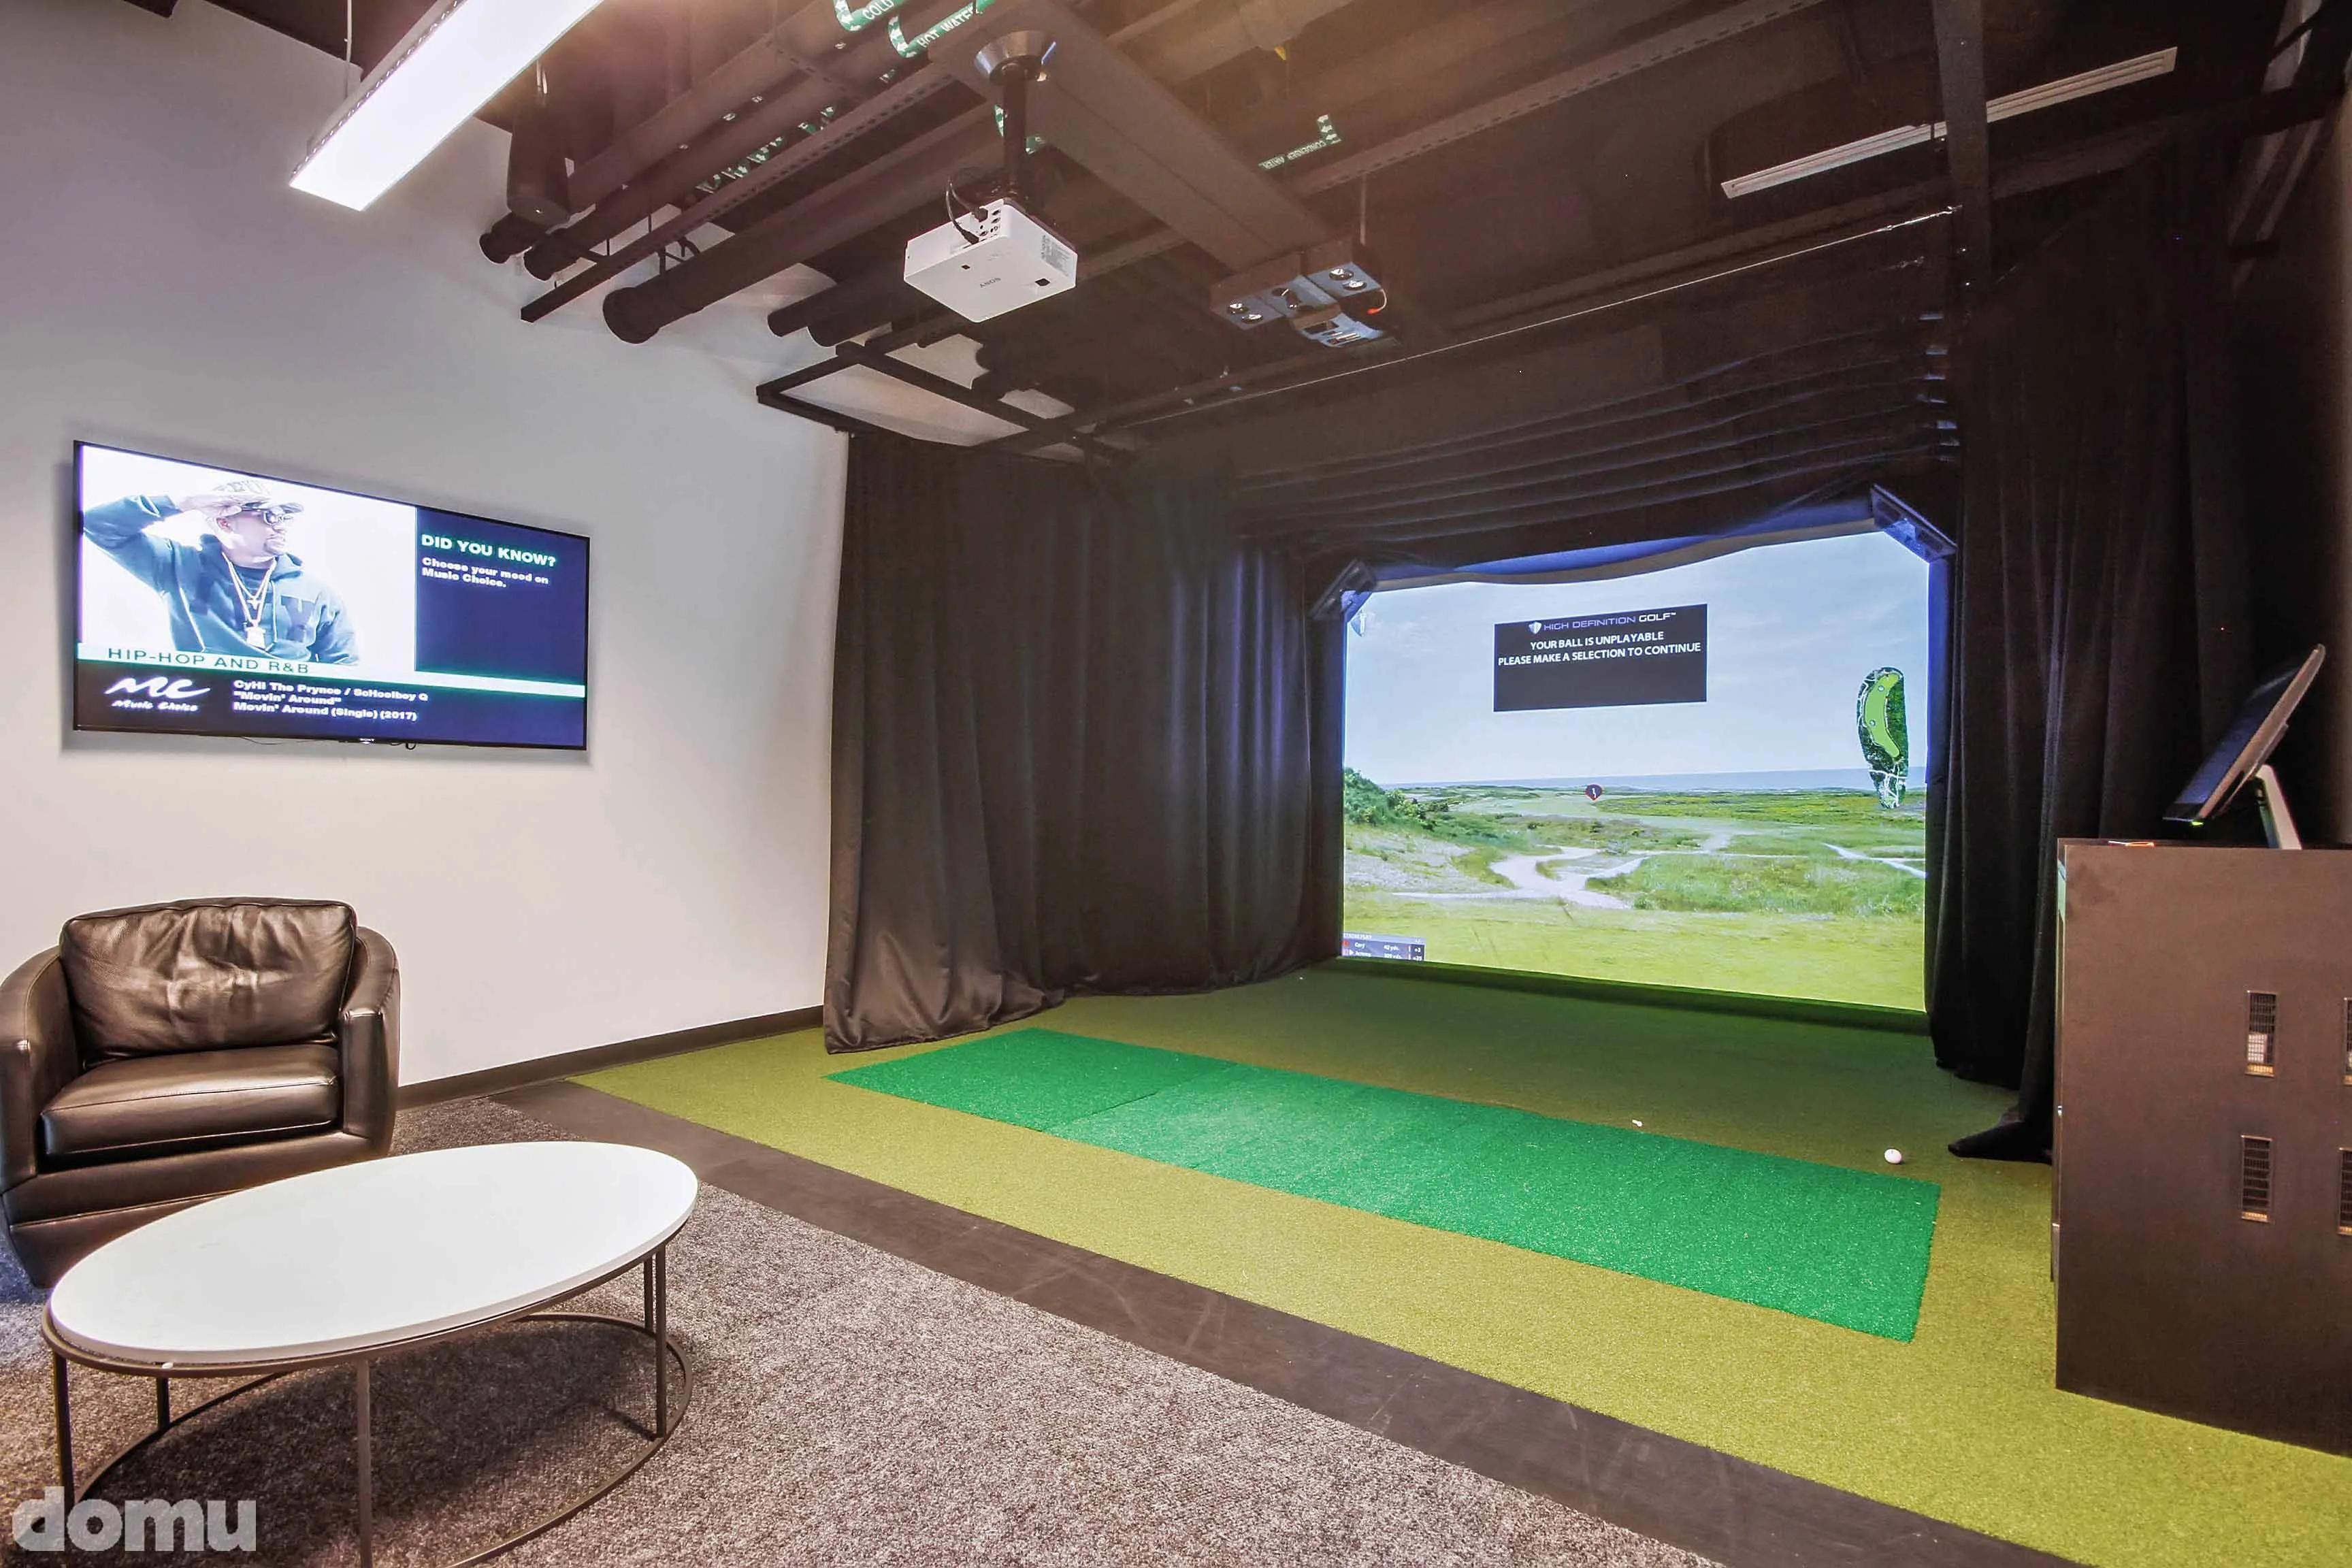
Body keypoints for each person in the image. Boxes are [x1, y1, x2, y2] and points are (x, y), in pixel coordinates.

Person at [84, 478, 357, 664]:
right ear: (225, 523)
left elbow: (344, 667)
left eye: (285, 516)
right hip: (204, 711)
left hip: (292, 718)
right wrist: (184, 503)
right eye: (270, 516)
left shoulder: (318, 593)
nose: (281, 525)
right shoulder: (177, 565)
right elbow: (97, 525)